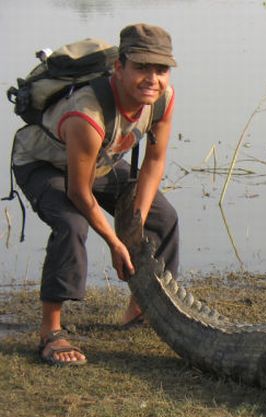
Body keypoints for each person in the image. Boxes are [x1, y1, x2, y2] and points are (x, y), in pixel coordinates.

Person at [10, 24, 180, 366]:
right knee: (72, 225)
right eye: (141, 67)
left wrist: (137, 218)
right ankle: (50, 332)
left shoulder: (162, 99)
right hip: (44, 165)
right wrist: (116, 242)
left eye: (160, 70)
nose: (152, 79)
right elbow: (77, 190)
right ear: (119, 67)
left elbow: (154, 162)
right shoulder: (86, 114)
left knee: (163, 218)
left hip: (99, 164)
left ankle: (141, 307)